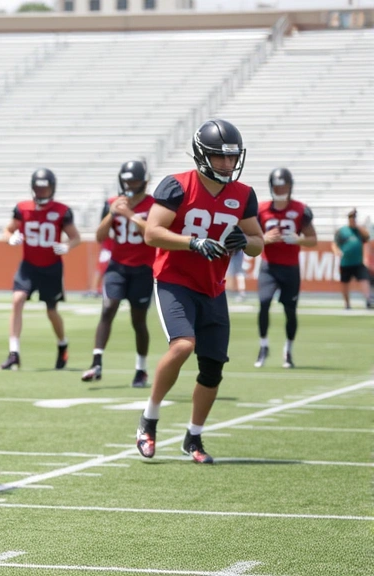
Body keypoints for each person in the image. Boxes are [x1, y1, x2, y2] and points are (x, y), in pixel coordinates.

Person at [135, 119, 264, 465]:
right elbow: (152, 233)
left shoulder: (243, 195)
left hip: (213, 287)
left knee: (212, 368)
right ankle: (149, 418)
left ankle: (193, 436)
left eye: (230, 158)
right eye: (218, 157)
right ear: (201, 155)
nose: (226, 164)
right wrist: (191, 243)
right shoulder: (177, 186)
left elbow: (257, 243)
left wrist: (245, 241)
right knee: (183, 345)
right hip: (175, 281)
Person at [81, 160, 155, 388]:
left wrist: (130, 214)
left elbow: (153, 232)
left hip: (143, 268)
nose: (130, 185)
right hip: (118, 267)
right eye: (127, 181)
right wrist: (112, 214)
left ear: (144, 181)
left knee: (138, 320)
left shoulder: (154, 205)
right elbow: (100, 236)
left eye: (134, 180)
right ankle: (96, 363)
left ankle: (141, 370)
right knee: (108, 308)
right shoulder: (113, 203)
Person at [1, 168, 81, 371]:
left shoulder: (62, 210)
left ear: (52, 188)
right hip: (28, 266)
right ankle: (14, 353)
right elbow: (8, 229)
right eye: (38, 188)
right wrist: (10, 238)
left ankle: (62, 343)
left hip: (51, 268)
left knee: (51, 311)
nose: (41, 191)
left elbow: (75, 237)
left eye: (45, 188)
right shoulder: (23, 208)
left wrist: (67, 246)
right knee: (17, 300)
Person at [254, 168, 317, 368]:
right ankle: (263, 345)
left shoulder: (300, 209)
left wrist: (299, 239)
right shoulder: (261, 209)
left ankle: (288, 350)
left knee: (290, 310)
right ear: (272, 186)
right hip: (269, 266)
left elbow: (313, 239)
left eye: (285, 185)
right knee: (263, 303)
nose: (281, 189)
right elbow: (251, 237)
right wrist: (264, 239)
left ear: (290, 186)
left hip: (290, 268)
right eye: (278, 185)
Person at [332, 208, 371, 310]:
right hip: (346, 262)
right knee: (345, 283)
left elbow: (367, 237)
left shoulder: (359, 230)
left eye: (354, 217)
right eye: (351, 217)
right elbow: (335, 243)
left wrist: (359, 227)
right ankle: (347, 303)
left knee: (364, 279)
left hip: (358, 262)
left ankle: (368, 300)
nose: (353, 219)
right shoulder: (342, 231)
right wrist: (337, 251)